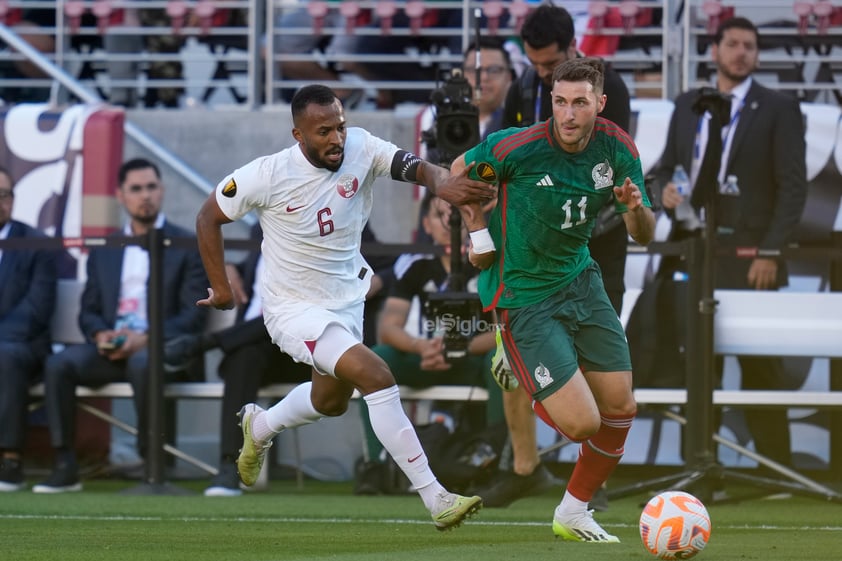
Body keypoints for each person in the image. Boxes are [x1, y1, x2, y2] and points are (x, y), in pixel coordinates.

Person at [194, 84, 496, 530]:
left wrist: (445, 184)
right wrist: (221, 288)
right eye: (323, 132)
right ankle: (436, 497)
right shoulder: (266, 174)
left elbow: (418, 170)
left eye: (340, 126)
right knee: (376, 376)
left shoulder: (361, 148)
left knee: (330, 400)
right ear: (299, 134)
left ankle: (259, 428)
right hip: (293, 309)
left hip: (346, 301)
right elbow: (208, 217)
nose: (336, 138)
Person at [452, 57, 655, 542]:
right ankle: (515, 358)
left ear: (599, 104)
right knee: (584, 424)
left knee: (622, 408)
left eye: (579, 103)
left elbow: (645, 234)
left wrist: (634, 209)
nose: (567, 114)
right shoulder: (517, 147)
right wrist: (477, 229)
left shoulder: (617, 148)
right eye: (559, 102)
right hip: (524, 296)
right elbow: (458, 173)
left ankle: (573, 511)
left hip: (582, 281)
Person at [479, 2, 633, 508]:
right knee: (526, 346)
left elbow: (608, 173)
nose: (542, 75)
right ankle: (525, 465)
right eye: (540, 69)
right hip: (527, 251)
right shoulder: (527, 84)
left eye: (549, 64)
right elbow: (497, 163)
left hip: (594, 246)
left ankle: (591, 481)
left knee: (592, 370)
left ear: (571, 49)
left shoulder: (613, 94)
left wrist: (578, 221)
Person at [655, 16, 807, 468]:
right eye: (734, 43)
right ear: (715, 50)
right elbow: (665, 167)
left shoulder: (779, 107)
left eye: (750, 45)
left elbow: (793, 187)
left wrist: (771, 252)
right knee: (696, 366)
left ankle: (775, 467)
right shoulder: (687, 104)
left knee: (761, 366)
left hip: (750, 257)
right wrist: (663, 191)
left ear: (756, 55)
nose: (742, 52)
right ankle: (697, 471)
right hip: (692, 251)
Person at [33, 158, 208, 493]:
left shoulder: (186, 244)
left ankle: (150, 462)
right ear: (121, 196)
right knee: (58, 365)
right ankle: (65, 464)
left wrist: (144, 339)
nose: (145, 196)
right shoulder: (107, 249)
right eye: (136, 189)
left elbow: (192, 316)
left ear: (162, 191)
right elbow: (89, 311)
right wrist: (101, 334)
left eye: (151, 187)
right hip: (113, 352)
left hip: (165, 351)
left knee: (144, 362)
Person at [355, 192, 504, 495]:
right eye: (441, 216)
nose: (451, 224)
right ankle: (377, 465)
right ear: (426, 223)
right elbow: (389, 327)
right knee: (373, 360)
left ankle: (493, 463)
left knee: (503, 364)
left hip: (472, 361)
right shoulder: (416, 265)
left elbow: (503, 329)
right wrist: (420, 347)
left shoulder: (489, 263)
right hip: (426, 357)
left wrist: (458, 349)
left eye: (459, 216)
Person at [164, 223, 312, 496]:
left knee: (271, 325)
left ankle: (204, 343)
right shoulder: (261, 229)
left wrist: (380, 281)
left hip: (300, 351)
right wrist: (232, 267)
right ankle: (229, 467)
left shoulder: (321, 224)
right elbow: (258, 273)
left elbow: (385, 260)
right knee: (244, 357)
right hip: (258, 347)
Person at [0, 167, 57, 492]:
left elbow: (36, 309)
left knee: (5, 356)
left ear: (13, 200)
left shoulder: (36, 245)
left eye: (3, 194)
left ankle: (10, 459)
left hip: (25, 347)